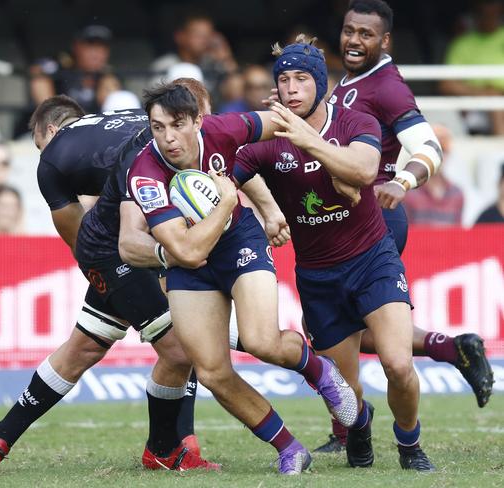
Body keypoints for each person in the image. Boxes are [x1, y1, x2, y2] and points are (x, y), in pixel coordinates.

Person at [0, 88, 218, 474]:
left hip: (116, 243)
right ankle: (167, 449)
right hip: (119, 248)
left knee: (84, 348)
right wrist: (134, 277)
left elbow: (77, 236)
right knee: (181, 348)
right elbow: (98, 236)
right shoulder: (144, 119)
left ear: (49, 130)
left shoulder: (52, 159)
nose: (41, 153)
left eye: (38, 145)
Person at [128, 83, 358, 475]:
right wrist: (227, 202)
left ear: (198, 121)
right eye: (157, 127)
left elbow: (281, 122)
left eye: (177, 125)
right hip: (192, 262)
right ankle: (289, 448)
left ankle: (319, 371)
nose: (167, 138)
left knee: (260, 341)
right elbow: (186, 252)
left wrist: (330, 163)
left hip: (239, 242)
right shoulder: (144, 175)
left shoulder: (225, 129)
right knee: (213, 372)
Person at [235, 35, 436, 471]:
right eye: (283, 79)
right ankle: (359, 426)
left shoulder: (354, 120)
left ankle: (410, 445)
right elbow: (229, 168)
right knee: (346, 390)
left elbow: (364, 169)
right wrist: (268, 209)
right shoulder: (266, 136)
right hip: (318, 275)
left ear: (321, 84)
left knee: (399, 364)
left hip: (372, 259)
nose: (290, 88)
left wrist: (306, 139)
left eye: (301, 79)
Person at [316, 0, 494, 454]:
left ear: (385, 41)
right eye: (349, 31)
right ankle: (450, 348)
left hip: (375, 217)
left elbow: (428, 145)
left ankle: (353, 431)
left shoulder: (388, 87)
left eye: (366, 34)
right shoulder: (355, 79)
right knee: (342, 332)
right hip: (345, 218)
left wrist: (403, 179)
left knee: (340, 333)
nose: (355, 40)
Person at [439, 0, 504, 135]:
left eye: (493, 8)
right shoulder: (462, 44)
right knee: (494, 100)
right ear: (476, 12)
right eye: (484, 10)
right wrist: (482, 93)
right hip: (474, 104)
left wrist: (497, 92)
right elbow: (447, 84)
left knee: (496, 100)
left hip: (500, 98)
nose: (489, 13)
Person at [31, 25, 113, 113]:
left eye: (102, 48)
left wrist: (106, 79)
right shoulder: (61, 65)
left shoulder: (105, 75)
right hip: (56, 122)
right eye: (90, 46)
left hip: (91, 124)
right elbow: (37, 70)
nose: (96, 54)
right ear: (76, 46)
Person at [402, 125, 464, 226]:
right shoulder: (408, 193)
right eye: (433, 152)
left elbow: (457, 235)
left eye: (442, 151)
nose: (437, 158)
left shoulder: (456, 194)